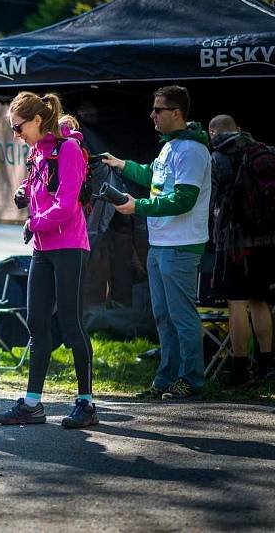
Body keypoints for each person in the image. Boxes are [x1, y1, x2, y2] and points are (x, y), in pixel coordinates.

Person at [0, 92, 98, 429]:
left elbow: (67, 205)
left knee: (70, 324)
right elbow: (39, 189)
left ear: (38, 120)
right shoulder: (38, 152)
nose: (16, 134)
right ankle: (33, 404)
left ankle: (86, 403)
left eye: (18, 127)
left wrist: (33, 222)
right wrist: (25, 192)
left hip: (69, 246)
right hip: (42, 247)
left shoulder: (67, 149)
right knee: (37, 325)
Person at [103, 85, 211, 400]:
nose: (152, 114)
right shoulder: (171, 146)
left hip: (181, 246)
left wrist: (138, 206)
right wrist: (121, 164)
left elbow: (183, 200)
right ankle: (165, 380)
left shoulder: (191, 150)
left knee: (181, 316)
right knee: (163, 317)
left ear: (176, 113)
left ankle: (191, 381)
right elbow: (153, 174)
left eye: (158, 109)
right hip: (162, 244)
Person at [208, 114, 274, 386]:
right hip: (267, 240)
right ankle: (267, 364)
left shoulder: (218, 158)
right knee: (261, 302)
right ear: (238, 128)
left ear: (213, 133)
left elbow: (212, 200)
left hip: (234, 243)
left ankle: (238, 369)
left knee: (237, 304)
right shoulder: (265, 151)